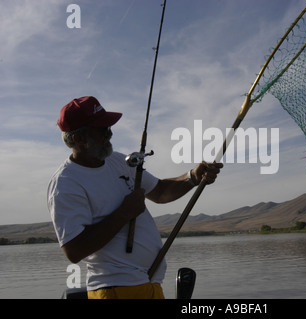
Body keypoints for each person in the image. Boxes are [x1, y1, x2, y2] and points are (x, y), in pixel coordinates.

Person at [47, 96, 222, 299]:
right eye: (102, 128)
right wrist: (124, 213)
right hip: (115, 289)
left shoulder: (118, 161)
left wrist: (192, 177)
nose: (110, 133)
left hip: (148, 283)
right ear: (79, 139)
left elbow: (160, 192)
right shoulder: (65, 183)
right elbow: (74, 250)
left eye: (109, 127)